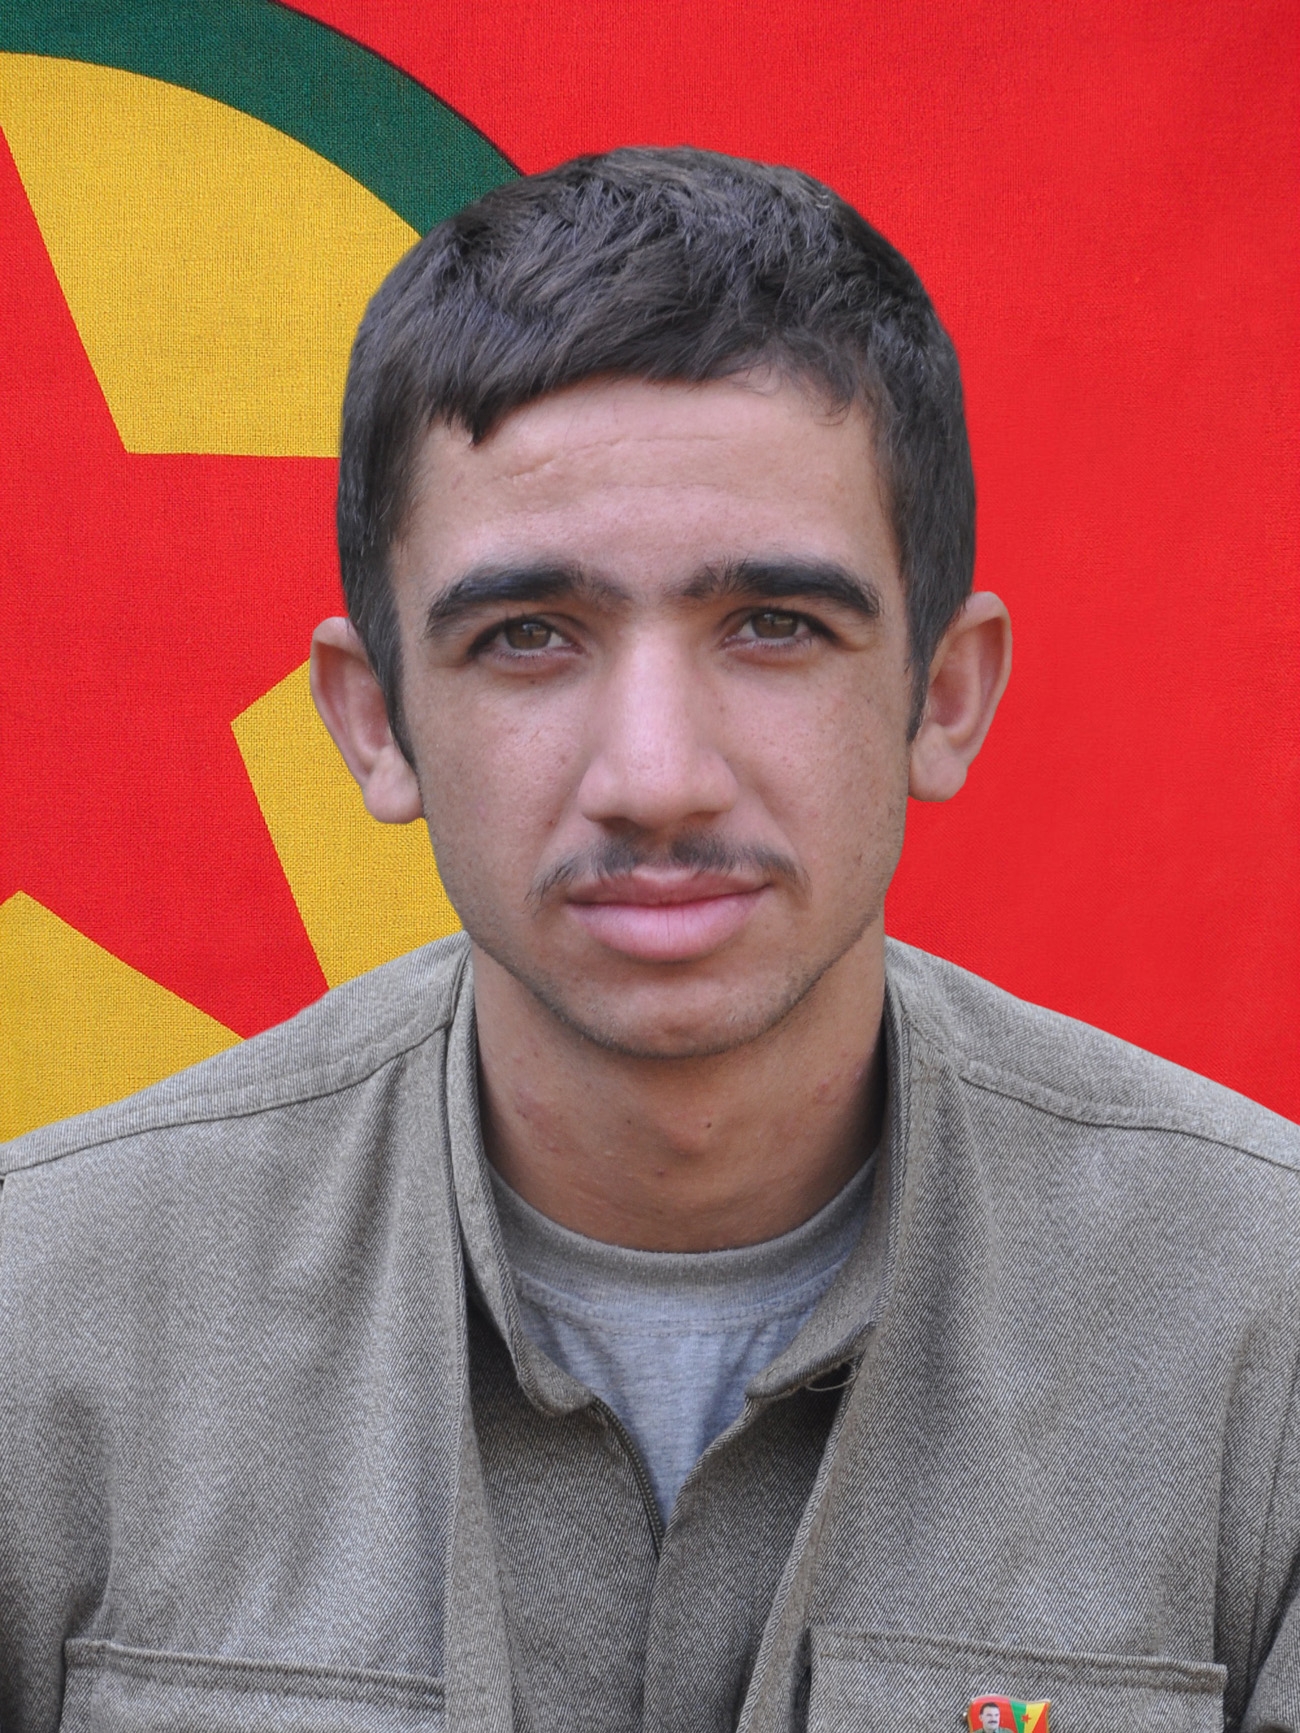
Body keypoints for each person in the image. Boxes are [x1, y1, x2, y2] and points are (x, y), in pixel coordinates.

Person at [1, 147, 1296, 1733]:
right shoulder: (38, 1325)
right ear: (375, 720)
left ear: (944, 695)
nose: (657, 775)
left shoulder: (1266, 1330)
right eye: (528, 637)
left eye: (775, 627)